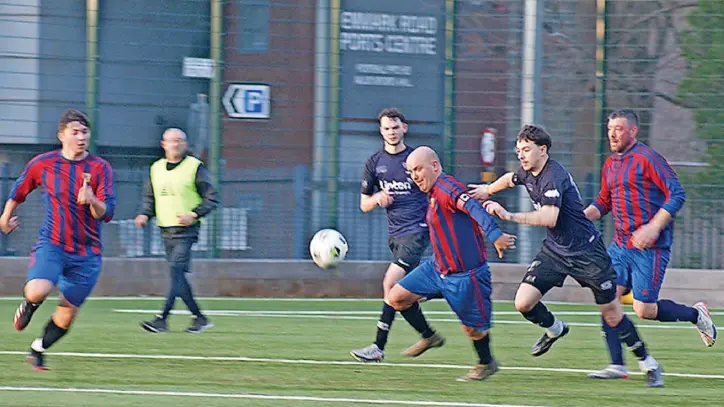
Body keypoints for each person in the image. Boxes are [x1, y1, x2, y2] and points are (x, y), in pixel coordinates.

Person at [469, 124, 664, 387]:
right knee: (523, 302)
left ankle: (648, 363)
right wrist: (487, 190)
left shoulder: (553, 175)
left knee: (612, 314)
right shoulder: (528, 171)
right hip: (556, 252)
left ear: (543, 149)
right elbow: (510, 178)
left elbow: (550, 217)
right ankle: (555, 328)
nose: (522, 155)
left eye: (526, 150)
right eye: (519, 151)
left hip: (588, 254)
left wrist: (508, 216)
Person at [584, 110, 716, 380]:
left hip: (651, 248)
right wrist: (578, 217)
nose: (612, 134)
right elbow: (604, 202)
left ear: (633, 131)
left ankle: (695, 314)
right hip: (620, 246)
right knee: (607, 296)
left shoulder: (648, 159)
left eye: (618, 129)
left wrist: (654, 227)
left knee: (644, 310)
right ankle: (617, 365)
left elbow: (677, 193)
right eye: (610, 129)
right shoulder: (610, 164)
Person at [387, 146, 516, 381]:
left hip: (466, 275)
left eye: (418, 169)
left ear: (434, 166)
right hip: (437, 269)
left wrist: (495, 234)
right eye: (411, 171)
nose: (414, 176)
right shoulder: (433, 191)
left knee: (474, 329)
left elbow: (474, 208)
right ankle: (429, 336)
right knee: (396, 297)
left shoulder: (447, 189)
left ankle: (487, 363)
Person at [0, 109, 116, 370]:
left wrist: (93, 200)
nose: (81, 137)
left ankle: (37, 348)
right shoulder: (44, 163)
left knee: (65, 318)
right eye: (75, 132)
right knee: (38, 290)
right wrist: (5, 217)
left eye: (85, 132)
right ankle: (30, 305)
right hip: (53, 244)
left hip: (87, 254)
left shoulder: (100, 168)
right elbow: (20, 189)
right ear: (61, 135)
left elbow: (107, 213)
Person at [350, 108, 444, 363]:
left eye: (395, 127)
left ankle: (378, 347)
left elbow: (435, 186)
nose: (391, 132)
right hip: (395, 234)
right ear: (381, 131)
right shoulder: (374, 163)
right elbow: (363, 204)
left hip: (418, 230)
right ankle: (429, 332)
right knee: (402, 294)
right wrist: (377, 198)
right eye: (386, 128)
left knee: (390, 283)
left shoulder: (414, 159)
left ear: (405, 128)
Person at [135, 128, 218, 334]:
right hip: (165, 229)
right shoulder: (156, 168)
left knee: (175, 272)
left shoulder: (195, 167)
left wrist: (194, 214)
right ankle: (200, 318)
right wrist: (145, 214)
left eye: (180, 141)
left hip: (186, 231)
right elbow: (150, 197)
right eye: (172, 141)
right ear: (163, 144)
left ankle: (161, 319)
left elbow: (212, 198)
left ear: (185, 144)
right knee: (178, 276)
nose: (176, 144)